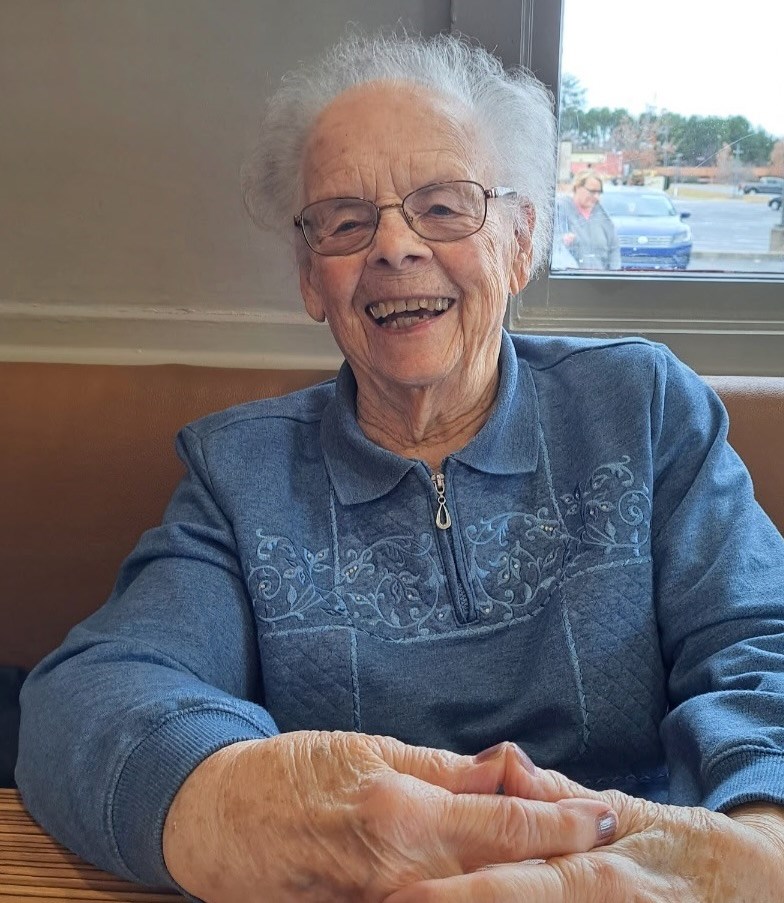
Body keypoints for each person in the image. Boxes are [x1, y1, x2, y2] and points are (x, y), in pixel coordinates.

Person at [16, 31, 784, 903]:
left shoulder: (641, 407)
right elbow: (91, 695)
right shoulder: (241, 474)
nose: (393, 246)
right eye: (346, 221)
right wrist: (248, 805)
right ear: (312, 278)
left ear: (520, 241)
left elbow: (762, 642)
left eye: (444, 207)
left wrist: (755, 844)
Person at [554, 170, 621, 270]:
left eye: (599, 192)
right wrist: (563, 240)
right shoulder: (560, 209)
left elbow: (614, 248)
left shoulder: (602, 215)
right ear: (577, 187)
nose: (596, 197)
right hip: (570, 276)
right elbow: (552, 243)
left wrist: (614, 274)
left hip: (599, 277)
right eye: (592, 191)